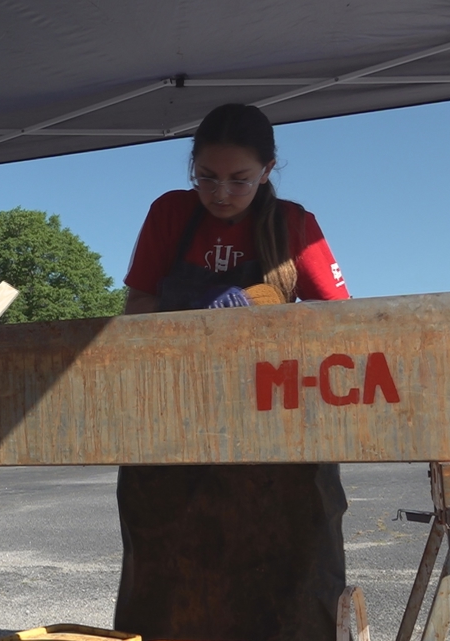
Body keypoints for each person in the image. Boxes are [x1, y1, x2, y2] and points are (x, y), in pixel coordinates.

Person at [116, 103, 351, 641]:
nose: (221, 193)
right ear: (192, 167)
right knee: (168, 573)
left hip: (278, 432)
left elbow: (339, 322)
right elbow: (138, 306)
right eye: (207, 177)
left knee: (292, 574)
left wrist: (264, 311)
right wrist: (193, 322)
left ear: (268, 170)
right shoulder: (170, 214)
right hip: (177, 424)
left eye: (239, 180)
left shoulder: (295, 224)